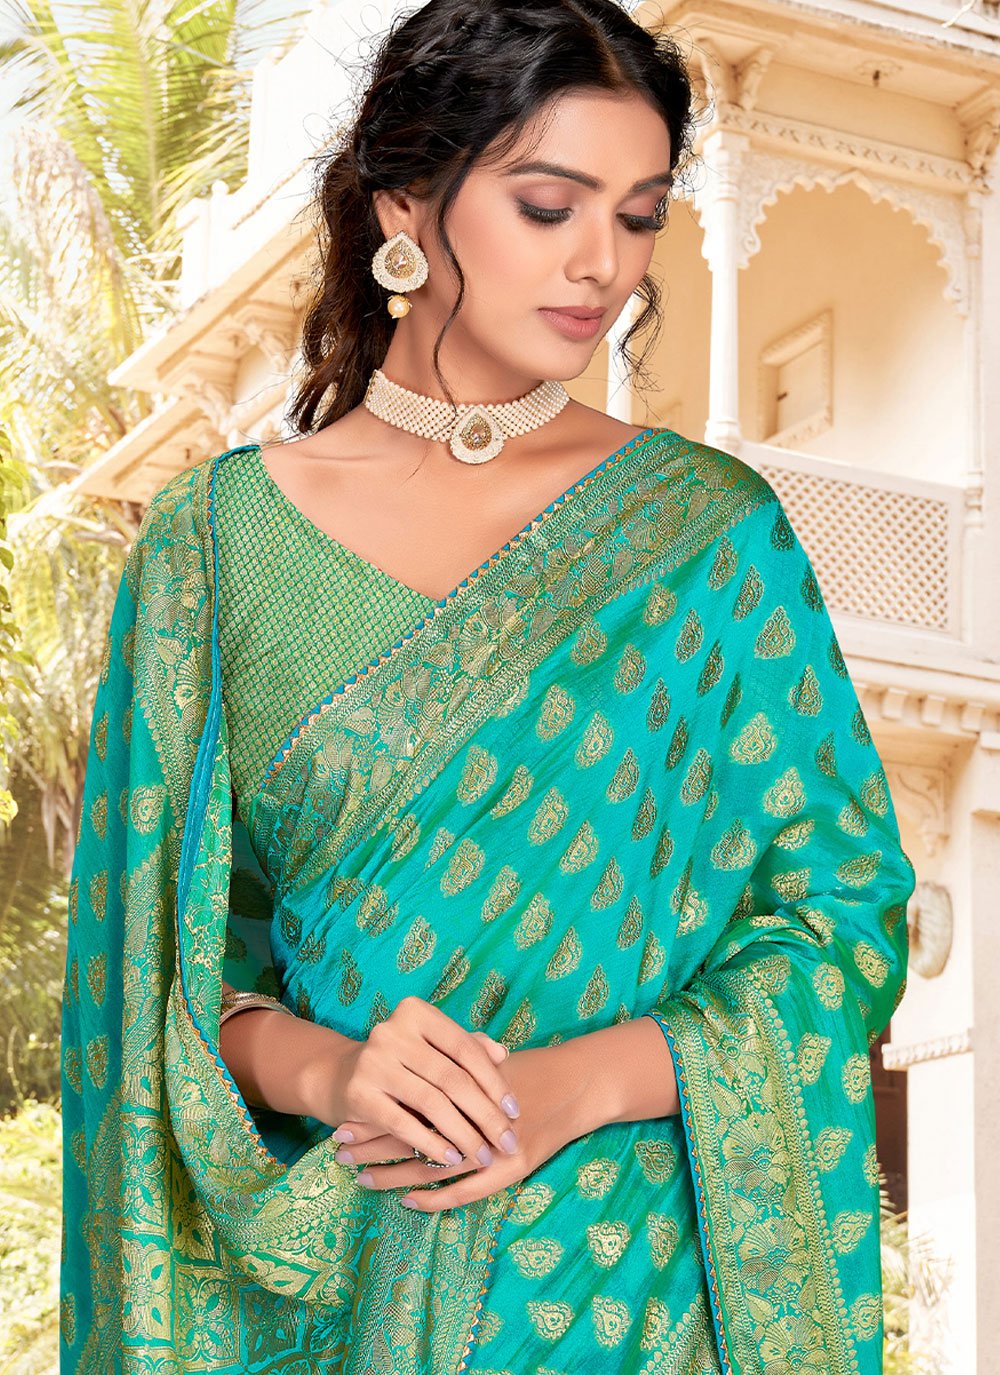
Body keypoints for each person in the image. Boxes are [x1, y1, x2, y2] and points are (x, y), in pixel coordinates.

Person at [59, 0, 915, 1371]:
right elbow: (163, 970)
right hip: (351, 1270)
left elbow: (842, 919)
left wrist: (570, 1087)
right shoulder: (213, 548)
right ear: (406, 203)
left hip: (636, 1287)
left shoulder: (705, 538)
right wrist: (337, 1071)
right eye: (547, 205)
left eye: (638, 216)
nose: (602, 264)